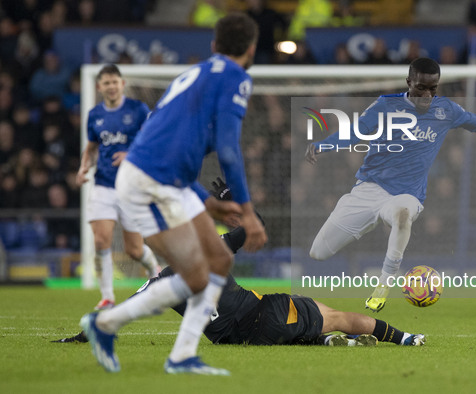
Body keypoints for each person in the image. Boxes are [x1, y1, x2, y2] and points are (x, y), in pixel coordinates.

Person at [79, 13, 267, 376]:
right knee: (198, 275)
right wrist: (247, 212)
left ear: (213, 46)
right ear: (251, 49)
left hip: (160, 177)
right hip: (152, 181)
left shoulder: (191, 75)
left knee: (218, 261)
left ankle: (182, 356)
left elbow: (173, 143)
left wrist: (209, 202)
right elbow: (228, 151)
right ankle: (106, 324)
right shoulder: (236, 78)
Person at [305, 57, 476, 313]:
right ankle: (369, 221)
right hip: (369, 189)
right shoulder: (385, 105)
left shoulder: (447, 110)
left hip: (406, 194)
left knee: (402, 215)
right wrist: (324, 145)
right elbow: (355, 132)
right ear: (409, 82)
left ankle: (383, 285)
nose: (427, 95)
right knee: (318, 252)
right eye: (421, 88)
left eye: (433, 89)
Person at [58, 198, 424, 347]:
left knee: (313, 325)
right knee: (337, 315)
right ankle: (406, 338)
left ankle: (324, 341)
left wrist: (81, 336)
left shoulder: (160, 282)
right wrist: (235, 200)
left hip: (237, 339)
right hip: (264, 314)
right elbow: (256, 227)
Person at [76, 64, 160, 310]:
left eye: (115, 82)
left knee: (134, 249)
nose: (111, 86)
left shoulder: (138, 110)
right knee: (101, 240)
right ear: (99, 87)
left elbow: (153, 142)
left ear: (122, 84)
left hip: (131, 187)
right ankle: (107, 297)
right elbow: (92, 148)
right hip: (103, 184)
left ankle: (154, 270)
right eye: (106, 83)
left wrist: (130, 155)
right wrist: (84, 168)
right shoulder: (94, 115)